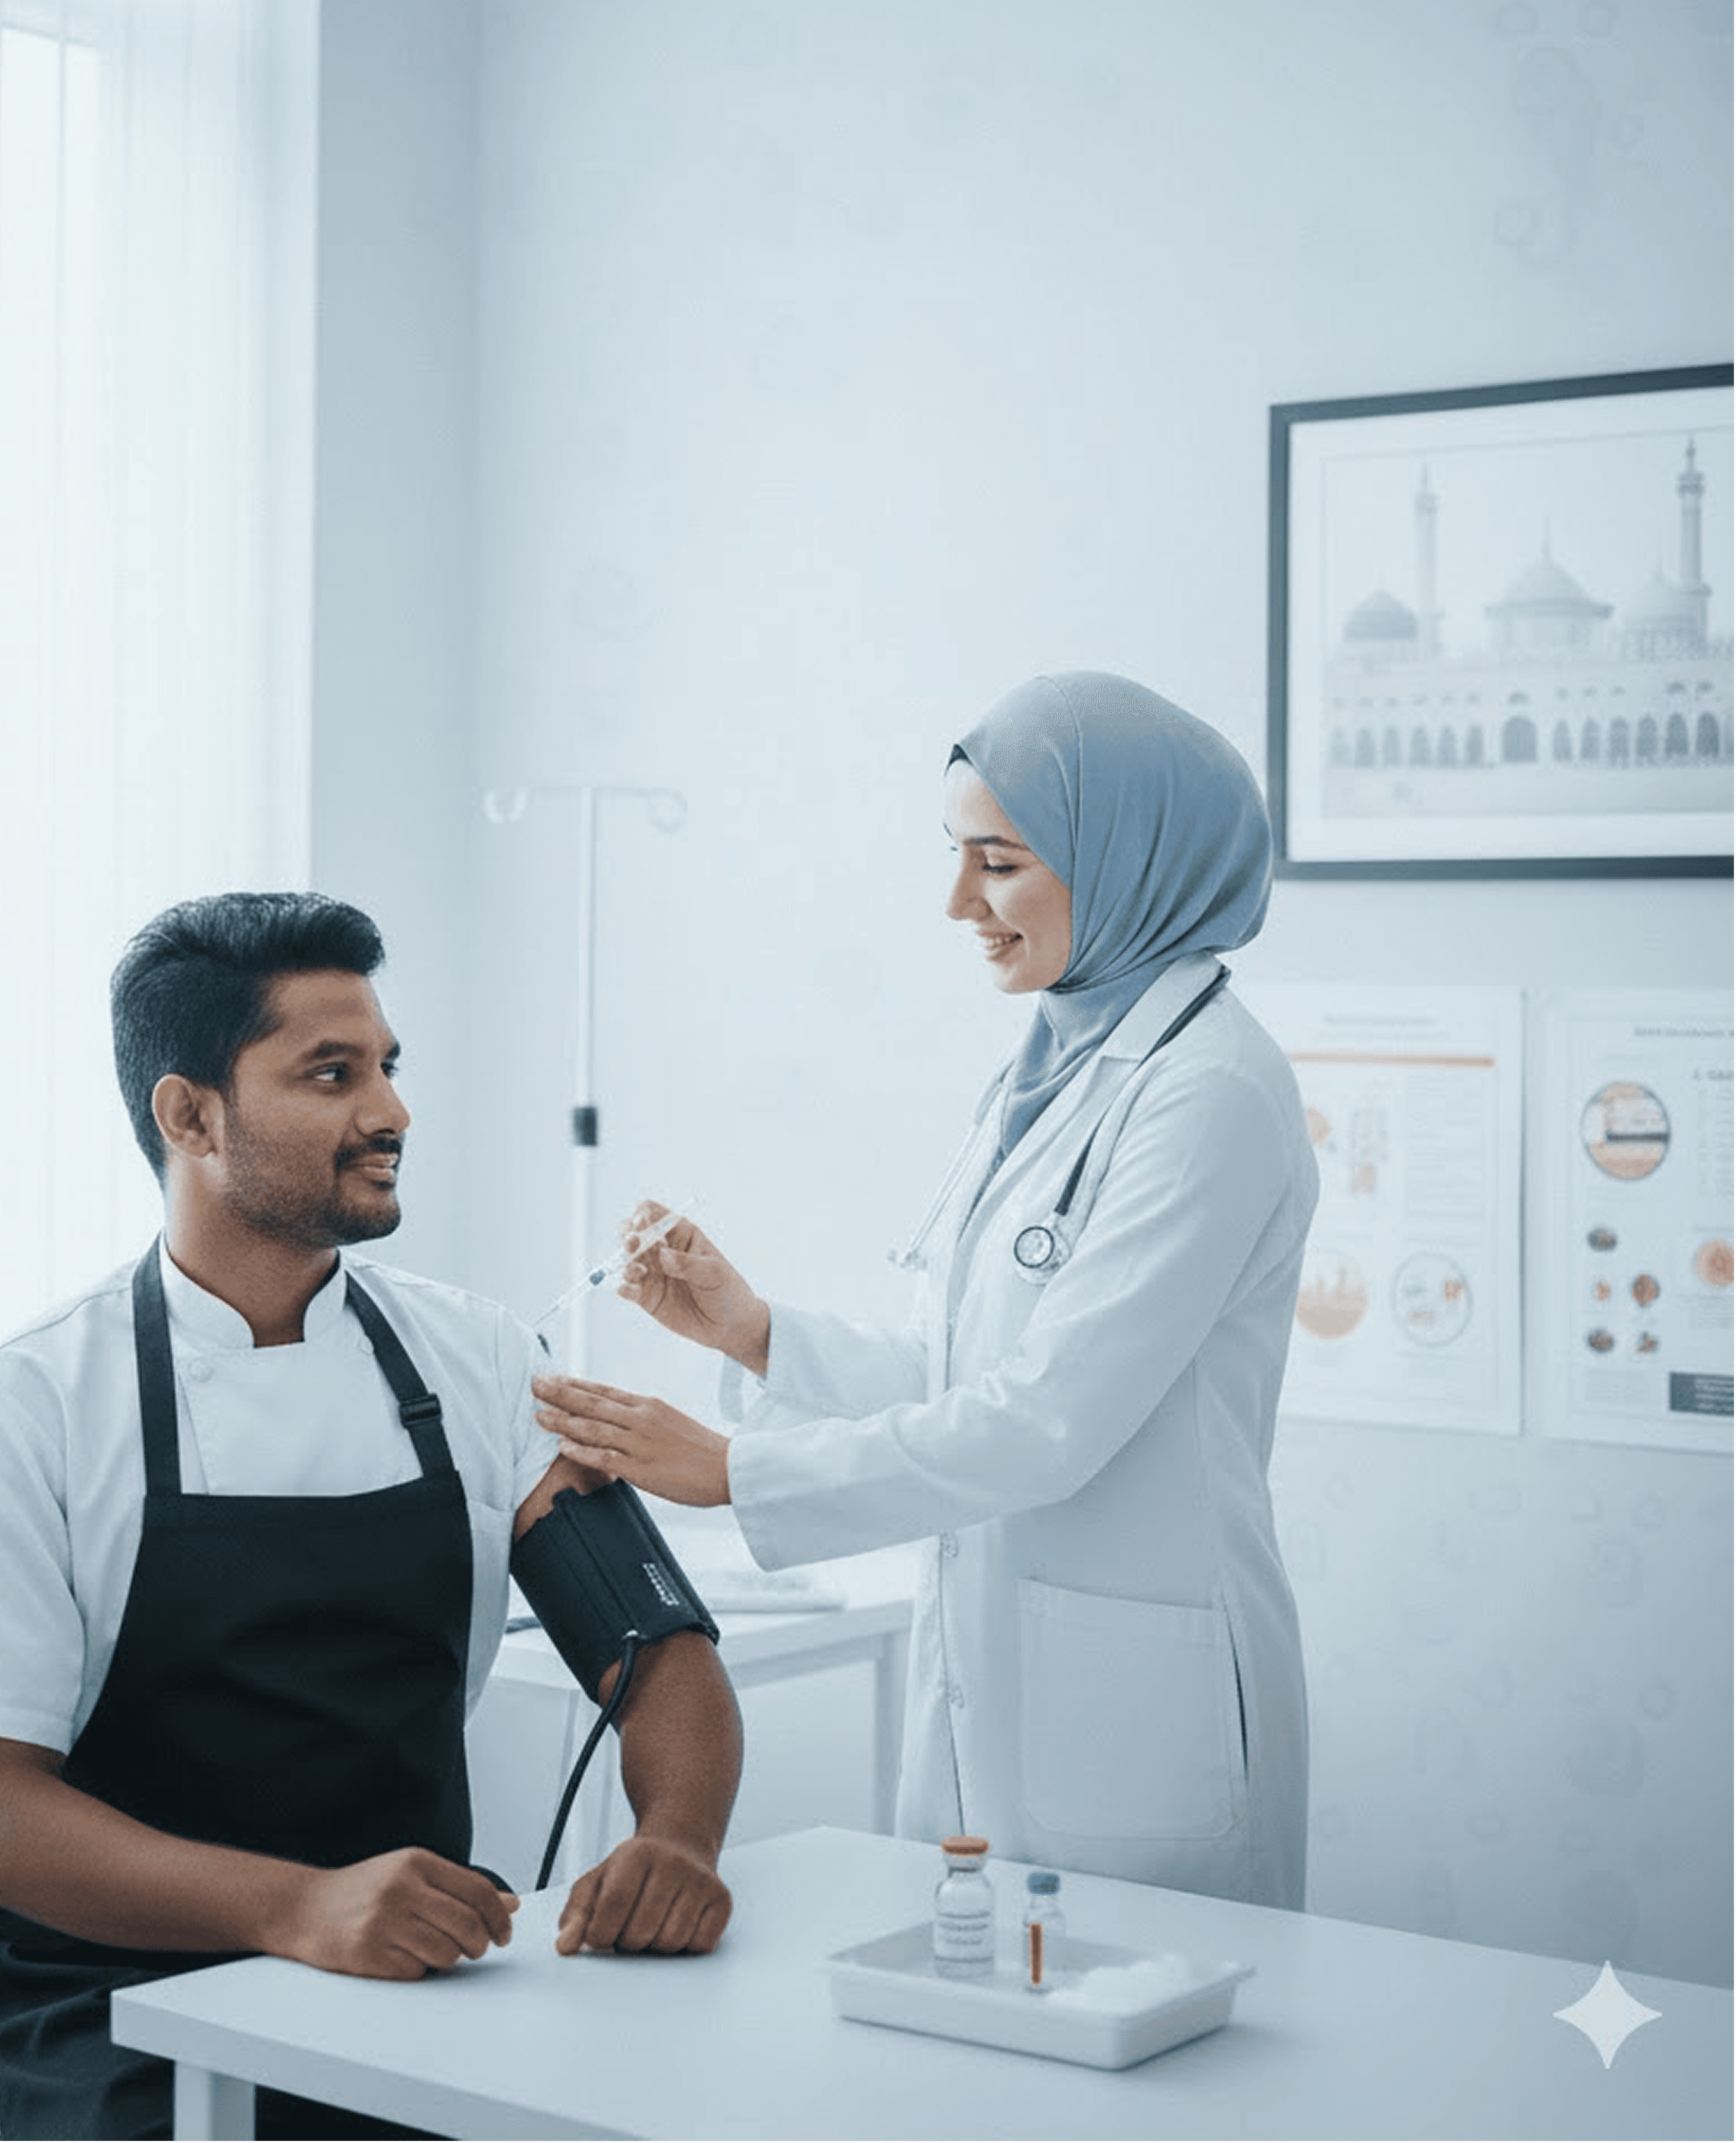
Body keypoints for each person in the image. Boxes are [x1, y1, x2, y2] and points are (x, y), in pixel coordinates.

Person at [0, 892, 741, 2143]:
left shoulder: (483, 1359)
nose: (392, 1112)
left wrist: (681, 1841)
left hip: (420, 1978)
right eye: (333, 1075)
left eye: (387, 1067)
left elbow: (657, 1653)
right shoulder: (23, 1409)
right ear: (191, 1116)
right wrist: (299, 1909)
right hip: (118, 2012)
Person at [532, 671, 1319, 1911]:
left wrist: (734, 1473)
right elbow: (962, 1376)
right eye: (957, 857)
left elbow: (1046, 1422)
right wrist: (758, 1333)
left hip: (1136, 1718)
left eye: (997, 864)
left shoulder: (1208, 1093)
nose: (958, 903)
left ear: (1127, 864)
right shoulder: (1052, 1064)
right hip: (1001, 1682)